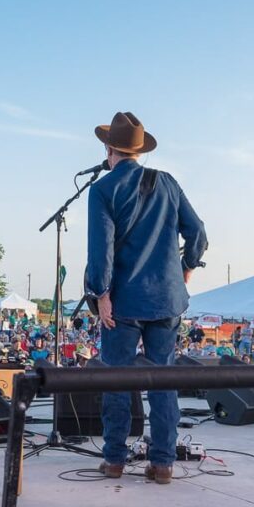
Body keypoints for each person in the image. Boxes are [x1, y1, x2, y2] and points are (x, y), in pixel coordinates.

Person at [85, 111, 207, 485]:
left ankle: (115, 459)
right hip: (167, 299)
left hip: (123, 301)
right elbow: (198, 231)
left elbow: (101, 250)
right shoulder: (167, 182)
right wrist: (186, 267)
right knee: (164, 379)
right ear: (138, 151)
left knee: (118, 380)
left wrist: (101, 294)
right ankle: (163, 463)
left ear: (109, 149)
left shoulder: (104, 189)